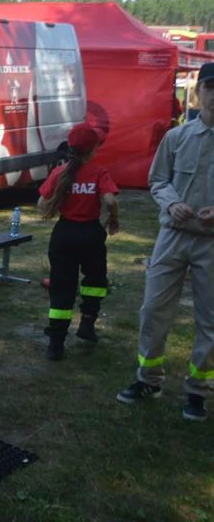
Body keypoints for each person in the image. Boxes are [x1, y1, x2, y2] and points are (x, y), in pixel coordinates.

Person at [116, 62, 214, 422]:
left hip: (211, 243)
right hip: (172, 237)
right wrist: (172, 203)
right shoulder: (177, 138)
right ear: (198, 91)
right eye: (210, 86)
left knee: (211, 322)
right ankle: (148, 380)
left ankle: (197, 391)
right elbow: (157, 180)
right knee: (153, 311)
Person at [37, 122, 120, 361]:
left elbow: (42, 205)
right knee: (95, 280)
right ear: (93, 148)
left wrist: (56, 206)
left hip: (63, 235)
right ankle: (87, 322)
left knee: (62, 289)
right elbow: (111, 201)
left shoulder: (59, 172)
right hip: (90, 234)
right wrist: (113, 219)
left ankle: (56, 343)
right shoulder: (98, 172)